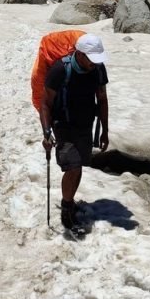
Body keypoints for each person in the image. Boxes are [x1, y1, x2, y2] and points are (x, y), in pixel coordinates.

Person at [40, 33, 109, 231]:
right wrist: (46, 131)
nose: (95, 64)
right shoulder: (60, 70)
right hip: (63, 125)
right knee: (73, 167)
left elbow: (102, 99)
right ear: (79, 54)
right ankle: (66, 208)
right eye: (92, 60)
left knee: (79, 166)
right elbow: (45, 103)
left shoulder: (98, 69)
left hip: (86, 125)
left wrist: (105, 130)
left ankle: (68, 203)